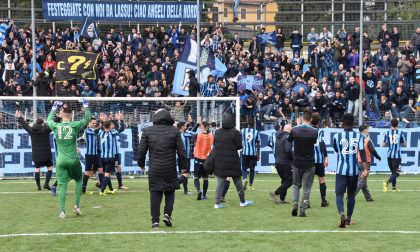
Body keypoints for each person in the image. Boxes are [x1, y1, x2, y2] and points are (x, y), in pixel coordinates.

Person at [137, 109, 187, 228]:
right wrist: (183, 168)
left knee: (155, 193)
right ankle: (167, 215)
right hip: (170, 167)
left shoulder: (147, 131)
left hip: (154, 168)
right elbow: (182, 153)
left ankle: (155, 221)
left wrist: (141, 164)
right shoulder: (175, 132)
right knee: (170, 192)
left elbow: (141, 151)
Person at [47, 99, 91, 219]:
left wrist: (54, 108)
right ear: (71, 115)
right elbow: (87, 119)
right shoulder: (74, 125)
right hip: (73, 159)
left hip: (60, 160)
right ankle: (76, 206)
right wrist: (85, 106)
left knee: (63, 186)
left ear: (61, 115)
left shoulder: (56, 126)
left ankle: (62, 211)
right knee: (78, 180)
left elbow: (48, 120)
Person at [212, 113, 253, 208]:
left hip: (220, 160)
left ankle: (217, 203)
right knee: (238, 182)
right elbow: (239, 146)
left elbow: (215, 144)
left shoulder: (217, 132)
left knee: (220, 183)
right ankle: (242, 202)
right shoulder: (236, 132)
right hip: (233, 161)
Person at [287, 110, 318, 217]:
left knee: (296, 185)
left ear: (301, 118)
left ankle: (295, 205)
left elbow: (288, 143)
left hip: (297, 162)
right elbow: (314, 143)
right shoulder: (315, 131)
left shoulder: (295, 130)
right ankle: (303, 209)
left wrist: (292, 158)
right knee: (307, 187)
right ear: (311, 119)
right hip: (309, 163)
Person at [332, 113, 361, 228]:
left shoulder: (337, 136)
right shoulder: (359, 136)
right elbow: (362, 152)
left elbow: (336, 149)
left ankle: (341, 213)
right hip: (354, 171)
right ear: (353, 123)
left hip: (341, 170)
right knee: (351, 195)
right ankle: (348, 219)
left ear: (342, 122)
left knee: (339, 194)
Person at [16, 111, 53, 191]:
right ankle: (46, 184)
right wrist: (59, 117)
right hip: (46, 155)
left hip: (37, 156)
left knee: (37, 169)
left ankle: (39, 186)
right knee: (50, 168)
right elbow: (53, 124)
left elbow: (25, 125)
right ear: (42, 123)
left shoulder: (31, 130)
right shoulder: (46, 130)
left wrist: (19, 117)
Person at [269, 123, 293, 204]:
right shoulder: (287, 137)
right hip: (285, 162)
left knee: (284, 180)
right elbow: (288, 150)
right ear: (290, 130)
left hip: (278, 162)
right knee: (291, 180)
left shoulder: (278, 137)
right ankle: (276, 193)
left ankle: (282, 199)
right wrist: (292, 159)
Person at [356, 125, 381, 201]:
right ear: (364, 131)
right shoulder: (367, 140)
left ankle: (368, 197)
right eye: (367, 129)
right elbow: (372, 150)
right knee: (361, 180)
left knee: (363, 181)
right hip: (366, 162)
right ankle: (351, 195)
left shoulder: (357, 139)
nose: (368, 130)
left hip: (358, 161)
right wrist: (378, 157)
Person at [382, 119, 407, 192]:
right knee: (397, 172)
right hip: (397, 156)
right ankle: (386, 183)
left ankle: (394, 187)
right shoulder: (400, 132)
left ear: (391, 124)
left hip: (389, 155)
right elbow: (405, 144)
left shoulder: (387, 132)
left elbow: (383, 145)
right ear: (398, 124)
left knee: (393, 172)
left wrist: (390, 143)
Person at [311, 114, 329, 207]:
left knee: (307, 181)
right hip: (318, 160)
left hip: (308, 159)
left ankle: (306, 202)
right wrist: (326, 157)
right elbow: (322, 144)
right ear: (318, 122)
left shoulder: (306, 130)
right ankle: (323, 201)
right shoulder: (319, 131)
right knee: (321, 179)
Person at [192, 121, 214, 200]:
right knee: (205, 178)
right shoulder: (211, 136)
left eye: (200, 126)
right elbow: (212, 147)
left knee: (196, 177)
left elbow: (190, 132)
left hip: (197, 158)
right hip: (206, 160)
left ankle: (198, 190)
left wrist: (197, 124)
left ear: (202, 126)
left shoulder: (198, 135)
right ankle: (204, 195)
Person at [81, 117, 103, 194]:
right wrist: (102, 122)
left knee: (100, 170)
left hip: (96, 154)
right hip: (89, 154)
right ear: (89, 123)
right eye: (92, 123)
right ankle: (83, 188)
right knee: (88, 171)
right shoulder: (88, 130)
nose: (94, 124)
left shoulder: (94, 130)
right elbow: (97, 130)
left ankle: (101, 187)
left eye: (95, 123)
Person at [240, 118, 261, 191]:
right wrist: (258, 154)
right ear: (254, 124)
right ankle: (250, 185)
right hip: (253, 153)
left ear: (247, 124)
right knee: (252, 169)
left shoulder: (243, 131)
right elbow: (258, 144)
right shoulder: (256, 132)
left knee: (244, 168)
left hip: (245, 152)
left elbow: (239, 140)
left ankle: (244, 179)